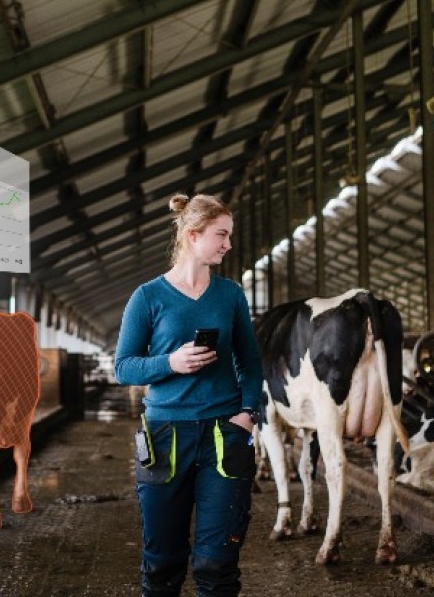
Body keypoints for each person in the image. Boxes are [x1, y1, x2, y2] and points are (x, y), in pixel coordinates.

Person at [114, 193, 263, 597]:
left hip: (224, 434)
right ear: (193, 235)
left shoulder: (230, 294)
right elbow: (123, 367)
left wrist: (248, 414)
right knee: (163, 564)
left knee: (217, 564)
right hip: (165, 436)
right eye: (221, 235)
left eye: (229, 235)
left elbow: (250, 363)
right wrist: (170, 362)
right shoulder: (148, 296)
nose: (228, 244)